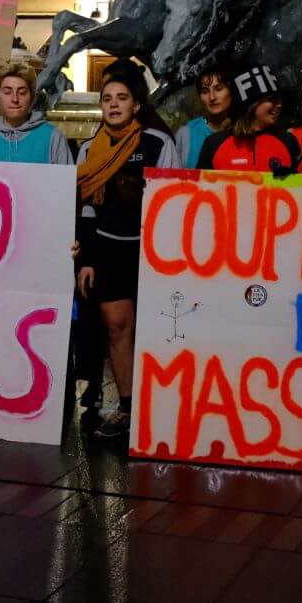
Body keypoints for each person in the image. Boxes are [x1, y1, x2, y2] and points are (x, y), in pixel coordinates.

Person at [74, 62, 176, 439]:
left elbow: (173, 202)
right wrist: (86, 259)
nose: (114, 105)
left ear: (136, 104)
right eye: (107, 99)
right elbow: (84, 206)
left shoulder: (157, 143)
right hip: (106, 252)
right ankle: (129, 409)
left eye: (122, 98)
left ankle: (161, 409)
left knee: (157, 330)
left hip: (152, 254)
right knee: (118, 329)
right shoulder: (89, 149)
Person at [0, 63, 75, 164]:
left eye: (22, 93)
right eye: (7, 92)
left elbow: (65, 178)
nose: (15, 99)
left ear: (32, 99)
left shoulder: (53, 137)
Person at [197, 82, 302, 172]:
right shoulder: (214, 144)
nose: (279, 105)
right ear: (252, 104)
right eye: (272, 99)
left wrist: (290, 181)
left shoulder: (288, 141)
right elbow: (198, 190)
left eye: (279, 99)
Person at [174, 68, 235, 169]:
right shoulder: (186, 133)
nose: (212, 97)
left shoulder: (244, 128)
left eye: (219, 89)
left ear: (231, 92)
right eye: (205, 91)